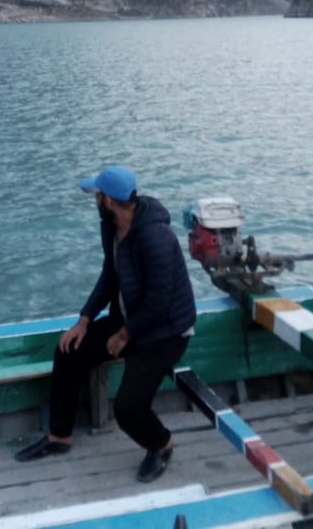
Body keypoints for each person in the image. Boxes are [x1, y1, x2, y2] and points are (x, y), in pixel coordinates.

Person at [14, 165, 197, 483]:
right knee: (70, 351)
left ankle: (161, 444)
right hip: (130, 320)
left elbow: (159, 302)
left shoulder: (155, 236)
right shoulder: (111, 227)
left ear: (108, 200)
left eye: (97, 195)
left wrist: (124, 334)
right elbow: (110, 277)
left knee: (128, 409)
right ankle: (60, 436)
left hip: (164, 333)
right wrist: (84, 320)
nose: (95, 200)